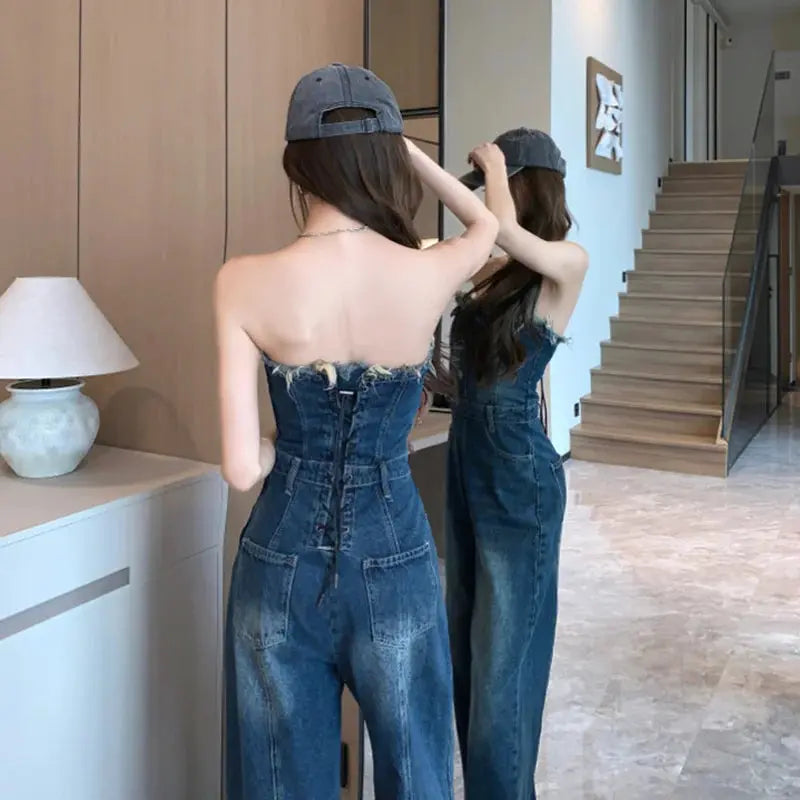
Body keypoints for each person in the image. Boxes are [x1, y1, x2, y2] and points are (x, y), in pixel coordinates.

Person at [215, 63, 498, 800]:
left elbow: (241, 468)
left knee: (280, 781)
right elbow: (487, 226)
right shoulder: (426, 270)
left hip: (277, 559)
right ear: (385, 157)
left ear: (296, 164)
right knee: (418, 775)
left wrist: (283, 448)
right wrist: (405, 150)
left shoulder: (241, 280)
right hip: (393, 551)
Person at [445, 128, 588, 799]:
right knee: (467, 653)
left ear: (530, 186)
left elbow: (500, 227)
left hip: (517, 472)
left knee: (504, 668)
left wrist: (492, 168)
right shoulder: (498, 271)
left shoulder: (566, 263)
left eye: (504, 181)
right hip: (468, 453)